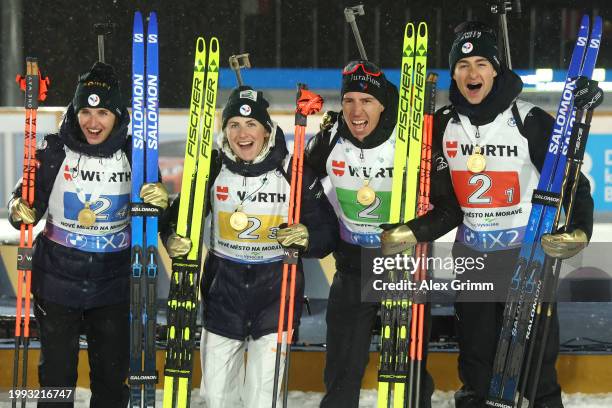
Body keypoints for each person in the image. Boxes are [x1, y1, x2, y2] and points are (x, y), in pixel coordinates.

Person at [398, 21, 597, 408]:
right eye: (463, 65)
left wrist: (579, 231)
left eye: (481, 64)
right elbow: (446, 204)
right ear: (454, 73)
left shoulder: (529, 119)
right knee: (476, 365)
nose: (472, 73)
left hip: (525, 255)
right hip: (471, 257)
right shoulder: (442, 125)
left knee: (535, 364)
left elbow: (573, 181)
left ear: (495, 69)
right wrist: (415, 230)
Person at [161, 85, 338, 408]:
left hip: (276, 301)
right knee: (216, 397)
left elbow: (327, 233)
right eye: (234, 125)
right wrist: (172, 238)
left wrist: (306, 238)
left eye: (251, 125)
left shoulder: (293, 171)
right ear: (225, 130)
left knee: (263, 399)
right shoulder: (212, 168)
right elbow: (178, 220)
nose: (242, 134)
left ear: (267, 131)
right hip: (222, 299)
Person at [7, 62, 168, 408]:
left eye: (103, 113)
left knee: (111, 382)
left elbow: (153, 213)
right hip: (57, 281)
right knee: (56, 379)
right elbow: (24, 199)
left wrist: (160, 203)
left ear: (117, 114)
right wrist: (19, 208)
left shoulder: (135, 154)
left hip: (113, 282)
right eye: (86, 111)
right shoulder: (53, 150)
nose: (92, 123)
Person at [306, 60, 464, 408]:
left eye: (366, 101)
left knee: (409, 370)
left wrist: (412, 231)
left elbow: (451, 209)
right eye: (349, 100)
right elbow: (299, 180)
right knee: (342, 370)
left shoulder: (413, 143)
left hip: (405, 269)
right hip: (352, 268)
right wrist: (323, 230)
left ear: (382, 105)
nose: (356, 110)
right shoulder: (331, 138)